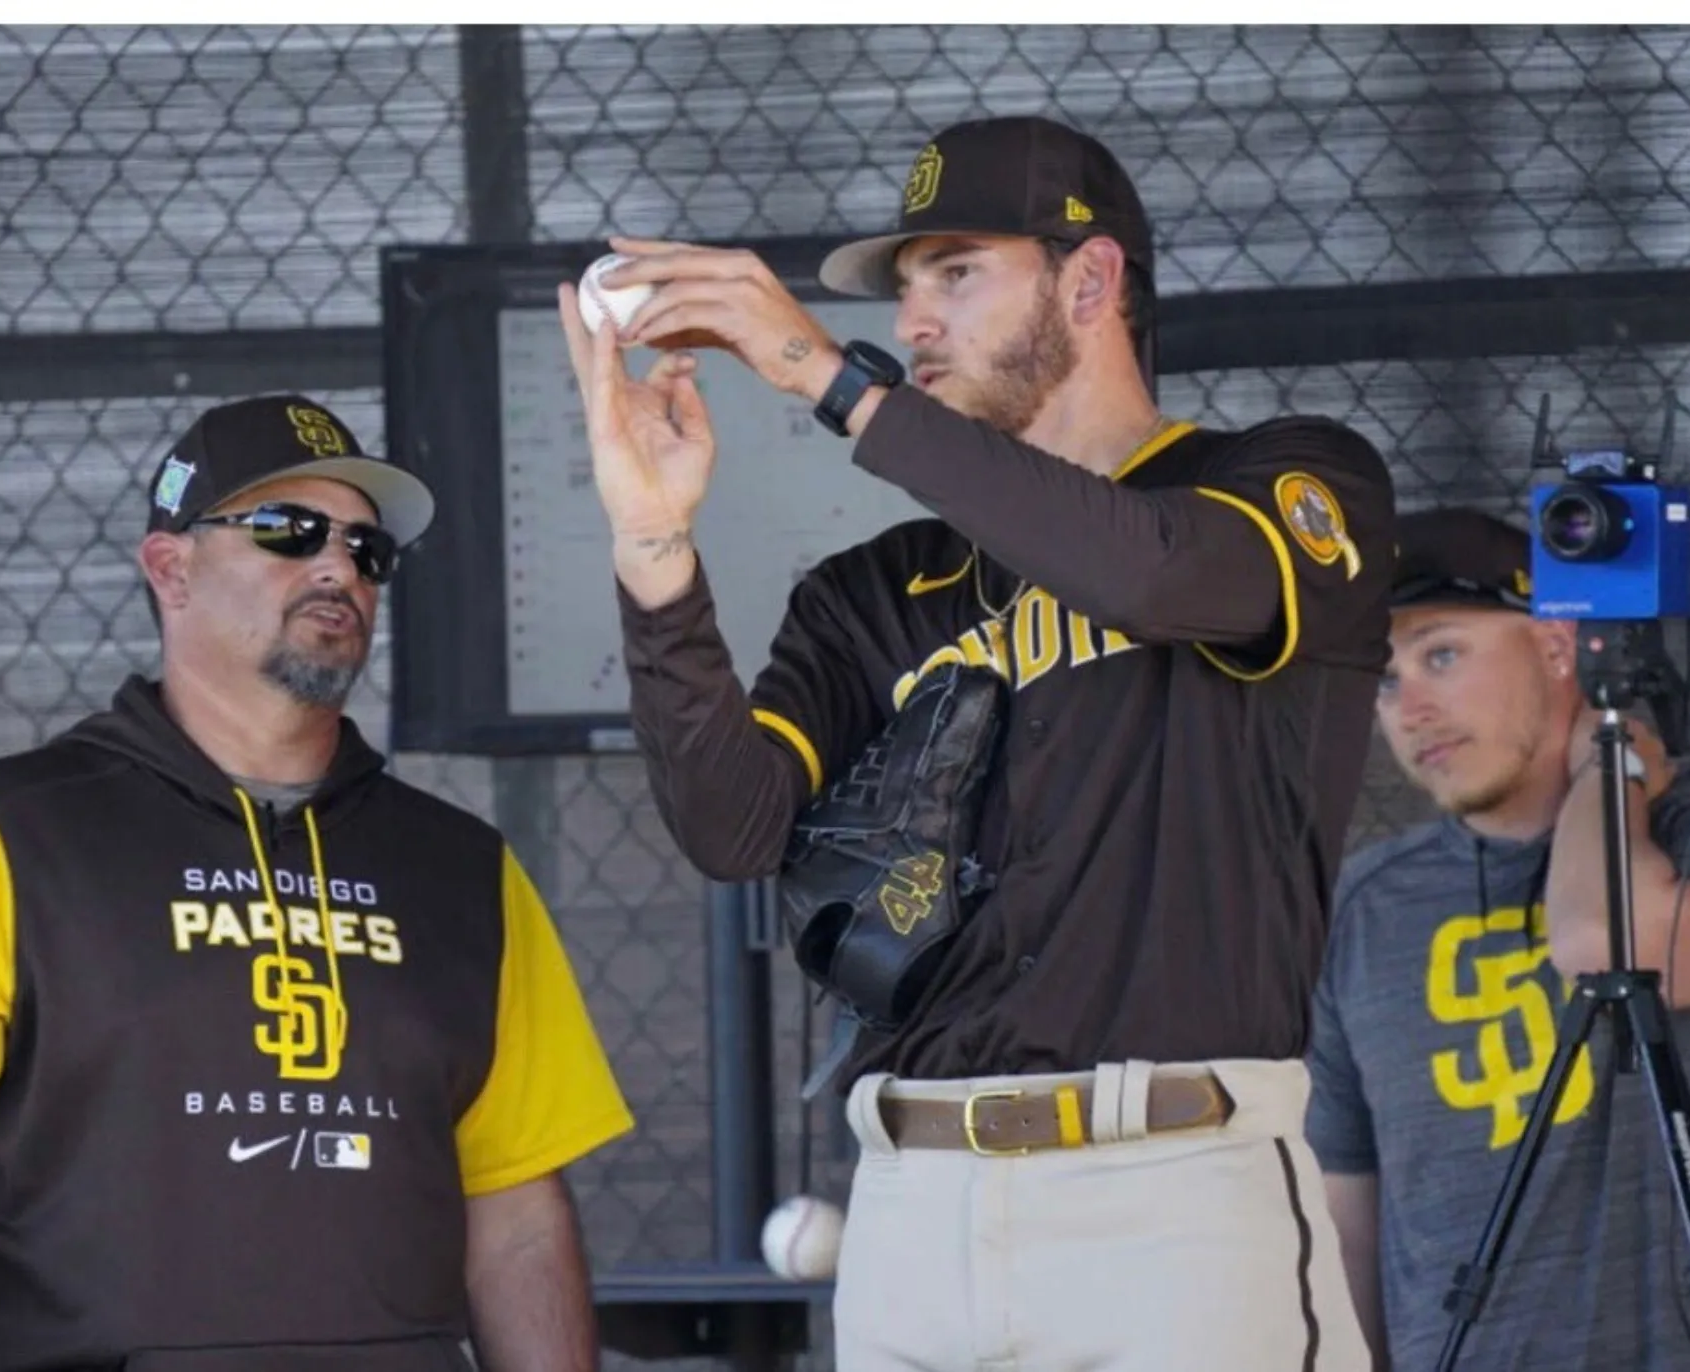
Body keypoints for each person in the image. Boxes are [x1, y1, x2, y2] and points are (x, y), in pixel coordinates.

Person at [558, 113, 1396, 1371]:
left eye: (955, 272)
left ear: (1091, 279)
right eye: (903, 290)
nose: (912, 324)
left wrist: (824, 378)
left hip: (1171, 1190)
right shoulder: (871, 589)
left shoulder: (1276, 480)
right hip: (910, 1205)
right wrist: (651, 548)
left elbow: (1153, 576)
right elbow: (731, 827)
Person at [0, 395, 635, 1372]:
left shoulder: (462, 870)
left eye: (366, 549)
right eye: (286, 530)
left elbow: (518, 1208)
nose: (337, 567)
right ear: (170, 568)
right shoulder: (12, 830)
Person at [1305, 505, 1690, 1371]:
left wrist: (1612, 757)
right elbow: (1347, 1219)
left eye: (1441, 653)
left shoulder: (1672, 832)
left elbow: (1613, 941)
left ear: (1557, 647)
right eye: (1383, 676)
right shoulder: (1364, 909)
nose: (1411, 708)